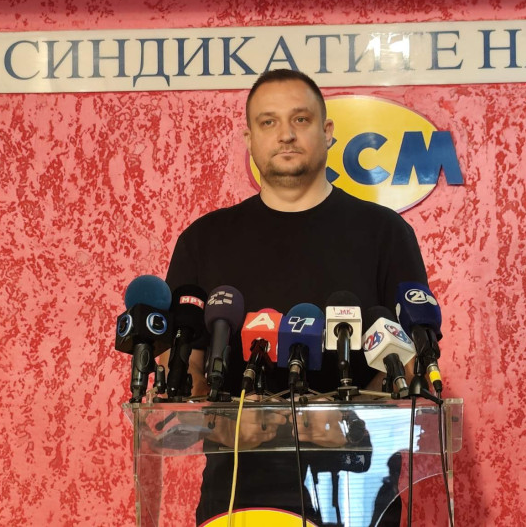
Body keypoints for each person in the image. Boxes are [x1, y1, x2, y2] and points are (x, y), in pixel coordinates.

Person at [164, 69, 429, 525]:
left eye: (300, 119)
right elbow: (182, 371)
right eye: (268, 122)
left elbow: (410, 364)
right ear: (249, 138)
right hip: (240, 498)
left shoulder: (385, 234)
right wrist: (228, 423)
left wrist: (347, 419)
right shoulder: (204, 240)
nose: (285, 134)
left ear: (328, 132)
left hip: (358, 494)